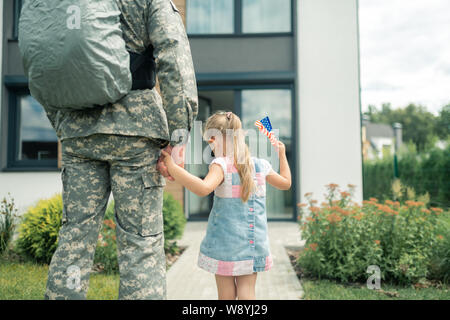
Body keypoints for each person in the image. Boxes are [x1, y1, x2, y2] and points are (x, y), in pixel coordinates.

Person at [44, 0, 198, 300]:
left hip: (79, 132)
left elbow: (45, 63)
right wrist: (179, 135)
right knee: (141, 243)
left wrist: (63, 122)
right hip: (135, 132)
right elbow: (174, 57)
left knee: (74, 237)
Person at [160, 111, 291, 300]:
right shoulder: (261, 165)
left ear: (215, 139)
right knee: (247, 292)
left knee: (226, 295)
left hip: (225, 245)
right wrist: (281, 155)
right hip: (253, 246)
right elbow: (286, 183)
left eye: (209, 141)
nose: (210, 146)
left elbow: (203, 188)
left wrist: (172, 167)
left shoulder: (220, 164)